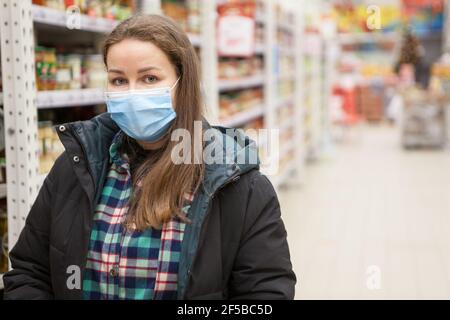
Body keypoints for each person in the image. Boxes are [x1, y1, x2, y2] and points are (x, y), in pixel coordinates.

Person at [3, 14, 296, 300]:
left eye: (149, 78)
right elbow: (30, 271)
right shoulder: (72, 168)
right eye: (119, 81)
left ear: (184, 84)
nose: (132, 93)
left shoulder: (238, 185)